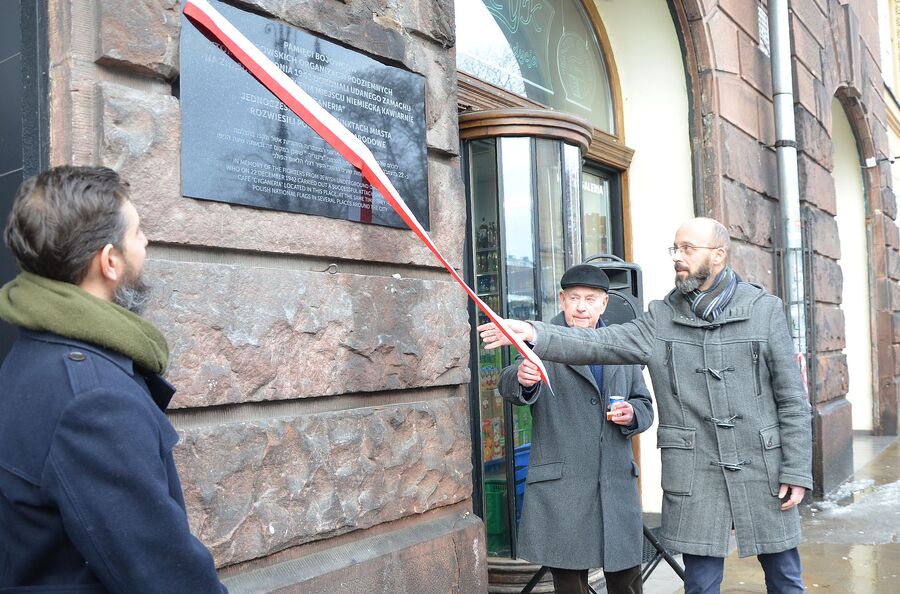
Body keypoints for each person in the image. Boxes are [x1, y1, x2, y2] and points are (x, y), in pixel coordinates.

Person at [480, 218, 812, 594]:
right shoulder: (661, 317)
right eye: (675, 248)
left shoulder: (765, 310)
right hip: (695, 474)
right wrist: (535, 331)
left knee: (785, 579)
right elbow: (600, 344)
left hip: (764, 470)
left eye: (687, 249)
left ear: (718, 255)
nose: (677, 257)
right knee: (700, 585)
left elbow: (792, 399)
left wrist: (796, 470)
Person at [0, 166, 227, 592]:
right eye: (138, 232)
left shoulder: (33, 350)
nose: (145, 242)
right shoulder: (93, 401)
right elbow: (164, 577)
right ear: (109, 261)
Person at [498, 264, 653, 594]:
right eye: (574, 298)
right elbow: (509, 383)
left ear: (604, 304)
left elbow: (645, 404)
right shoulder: (543, 343)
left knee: (626, 580)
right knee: (570, 584)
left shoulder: (622, 347)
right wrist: (523, 380)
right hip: (563, 489)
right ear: (562, 300)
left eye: (590, 299)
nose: (581, 306)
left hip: (615, 484)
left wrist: (633, 413)